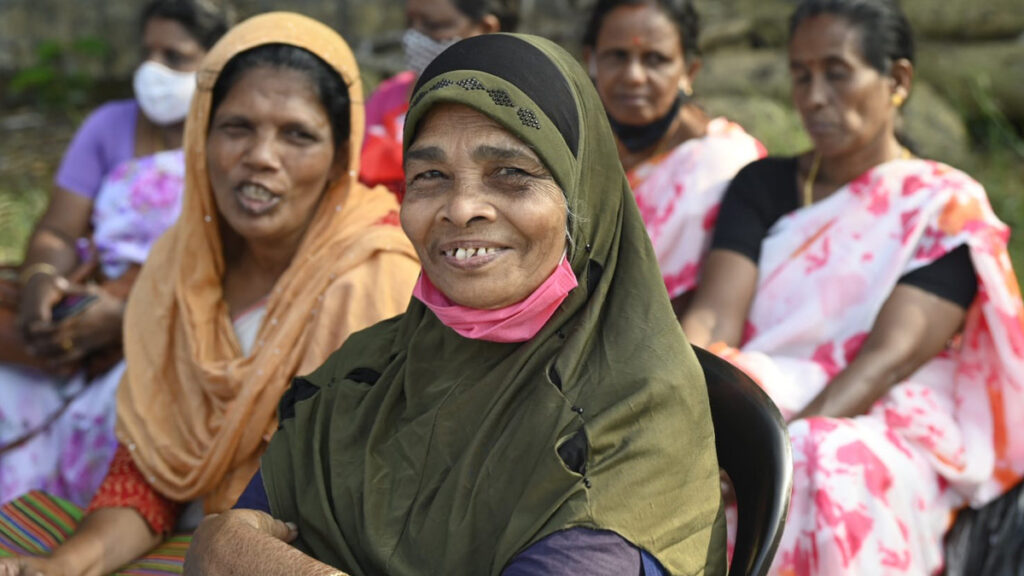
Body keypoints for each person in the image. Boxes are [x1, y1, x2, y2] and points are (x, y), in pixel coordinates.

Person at [184, 33, 726, 576]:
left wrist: (227, 548)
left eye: (511, 174)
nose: (461, 208)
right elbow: (257, 523)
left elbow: (242, 550)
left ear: (582, 195)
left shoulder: (632, 408)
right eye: (430, 176)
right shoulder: (367, 374)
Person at [0, 12, 420, 576]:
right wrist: (64, 565)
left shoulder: (378, 278)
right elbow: (150, 473)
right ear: (202, 134)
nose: (261, 156)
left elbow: (363, 508)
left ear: (339, 155)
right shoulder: (180, 266)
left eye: (297, 134)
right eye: (236, 127)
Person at [681, 0, 1024, 573]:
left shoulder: (942, 208)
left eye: (836, 73)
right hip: (760, 392)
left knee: (827, 457)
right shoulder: (761, 186)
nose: (814, 97)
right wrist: (683, 412)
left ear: (897, 80)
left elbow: (885, 360)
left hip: (880, 419)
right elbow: (714, 321)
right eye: (801, 74)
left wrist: (768, 455)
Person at [0, 0, 235, 507]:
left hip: (174, 337)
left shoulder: (234, 139)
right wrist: (41, 278)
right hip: (81, 320)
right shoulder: (110, 125)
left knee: (122, 422)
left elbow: (240, 268)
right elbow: (60, 230)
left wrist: (132, 318)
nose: (154, 71)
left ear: (216, 63)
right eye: (148, 52)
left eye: (175, 56)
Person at [582, 0, 765, 316]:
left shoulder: (724, 160)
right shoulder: (575, 146)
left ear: (689, 70)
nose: (634, 76)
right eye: (617, 56)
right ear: (591, 61)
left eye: (655, 59)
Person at [360, 0, 518, 200]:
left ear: (486, 28)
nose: (413, 37)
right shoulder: (386, 96)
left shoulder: (513, 105)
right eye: (410, 23)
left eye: (434, 25)